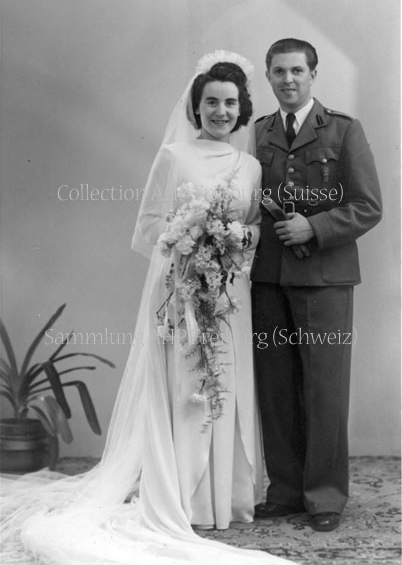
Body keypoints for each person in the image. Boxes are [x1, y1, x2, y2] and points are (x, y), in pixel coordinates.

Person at [1, 51, 295, 565]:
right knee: (187, 387)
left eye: (230, 103)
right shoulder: (174, 157)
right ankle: (184, 498)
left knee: (227, 383)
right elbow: (148, 227)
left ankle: (226, 500)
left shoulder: (250, 166)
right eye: (211, 102)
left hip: (230, 294)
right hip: (180, 290)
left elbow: (254, 228)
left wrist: (234, 239)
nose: (221, 112)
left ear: (242, 109)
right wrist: (189, 241)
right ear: (196, 107)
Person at [251, 38, 382, 532]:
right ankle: (285, 490)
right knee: (276, 388)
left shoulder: (344, 130)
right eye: (279, 72)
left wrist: (316, 226)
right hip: (268, 278)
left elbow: (368, 205)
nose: (288, 80)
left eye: (297, 71)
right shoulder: (258, 132)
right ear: (268, 76)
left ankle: (325, 496)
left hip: (325, 280)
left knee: (324, 390)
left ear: (313, 75)